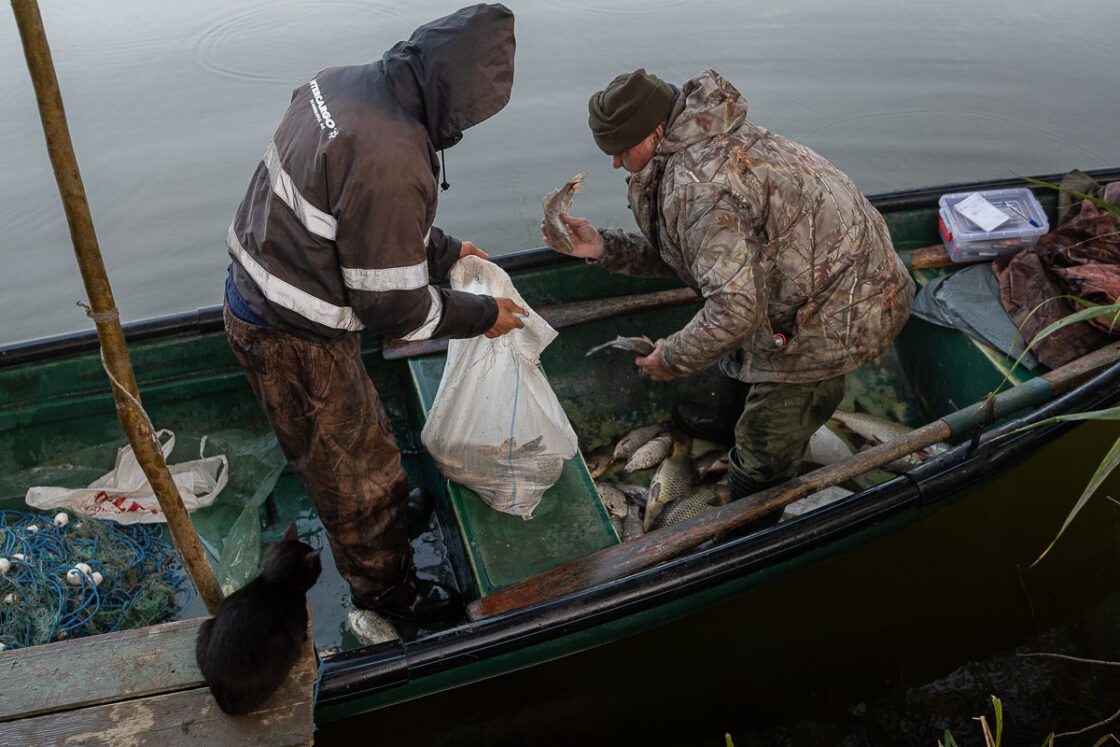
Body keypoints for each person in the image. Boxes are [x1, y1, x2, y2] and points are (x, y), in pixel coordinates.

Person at [223, 4, 523, 624]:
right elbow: (397, 310)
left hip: (265, 287)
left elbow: (356, 220)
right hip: (290, 335)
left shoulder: (339, 82)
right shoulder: (391, 157)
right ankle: (390, 595)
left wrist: (442, 250)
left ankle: (388, 524)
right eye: (472, 113)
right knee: (357, 476)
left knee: (366, 450)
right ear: (454, 96)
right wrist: (483, 313)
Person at [543, 68, 914, 524]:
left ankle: (749, 521)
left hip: (843, 314)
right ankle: (725, 428)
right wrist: (603, 247)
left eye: (621, 150)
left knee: (763, 448)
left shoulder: (699, 186)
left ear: (656, 130)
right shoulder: (699, 129)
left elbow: (734, 309)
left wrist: (672, 357)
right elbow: (695, 255)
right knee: (731, 355)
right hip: (795, 286)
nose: (616, 164)